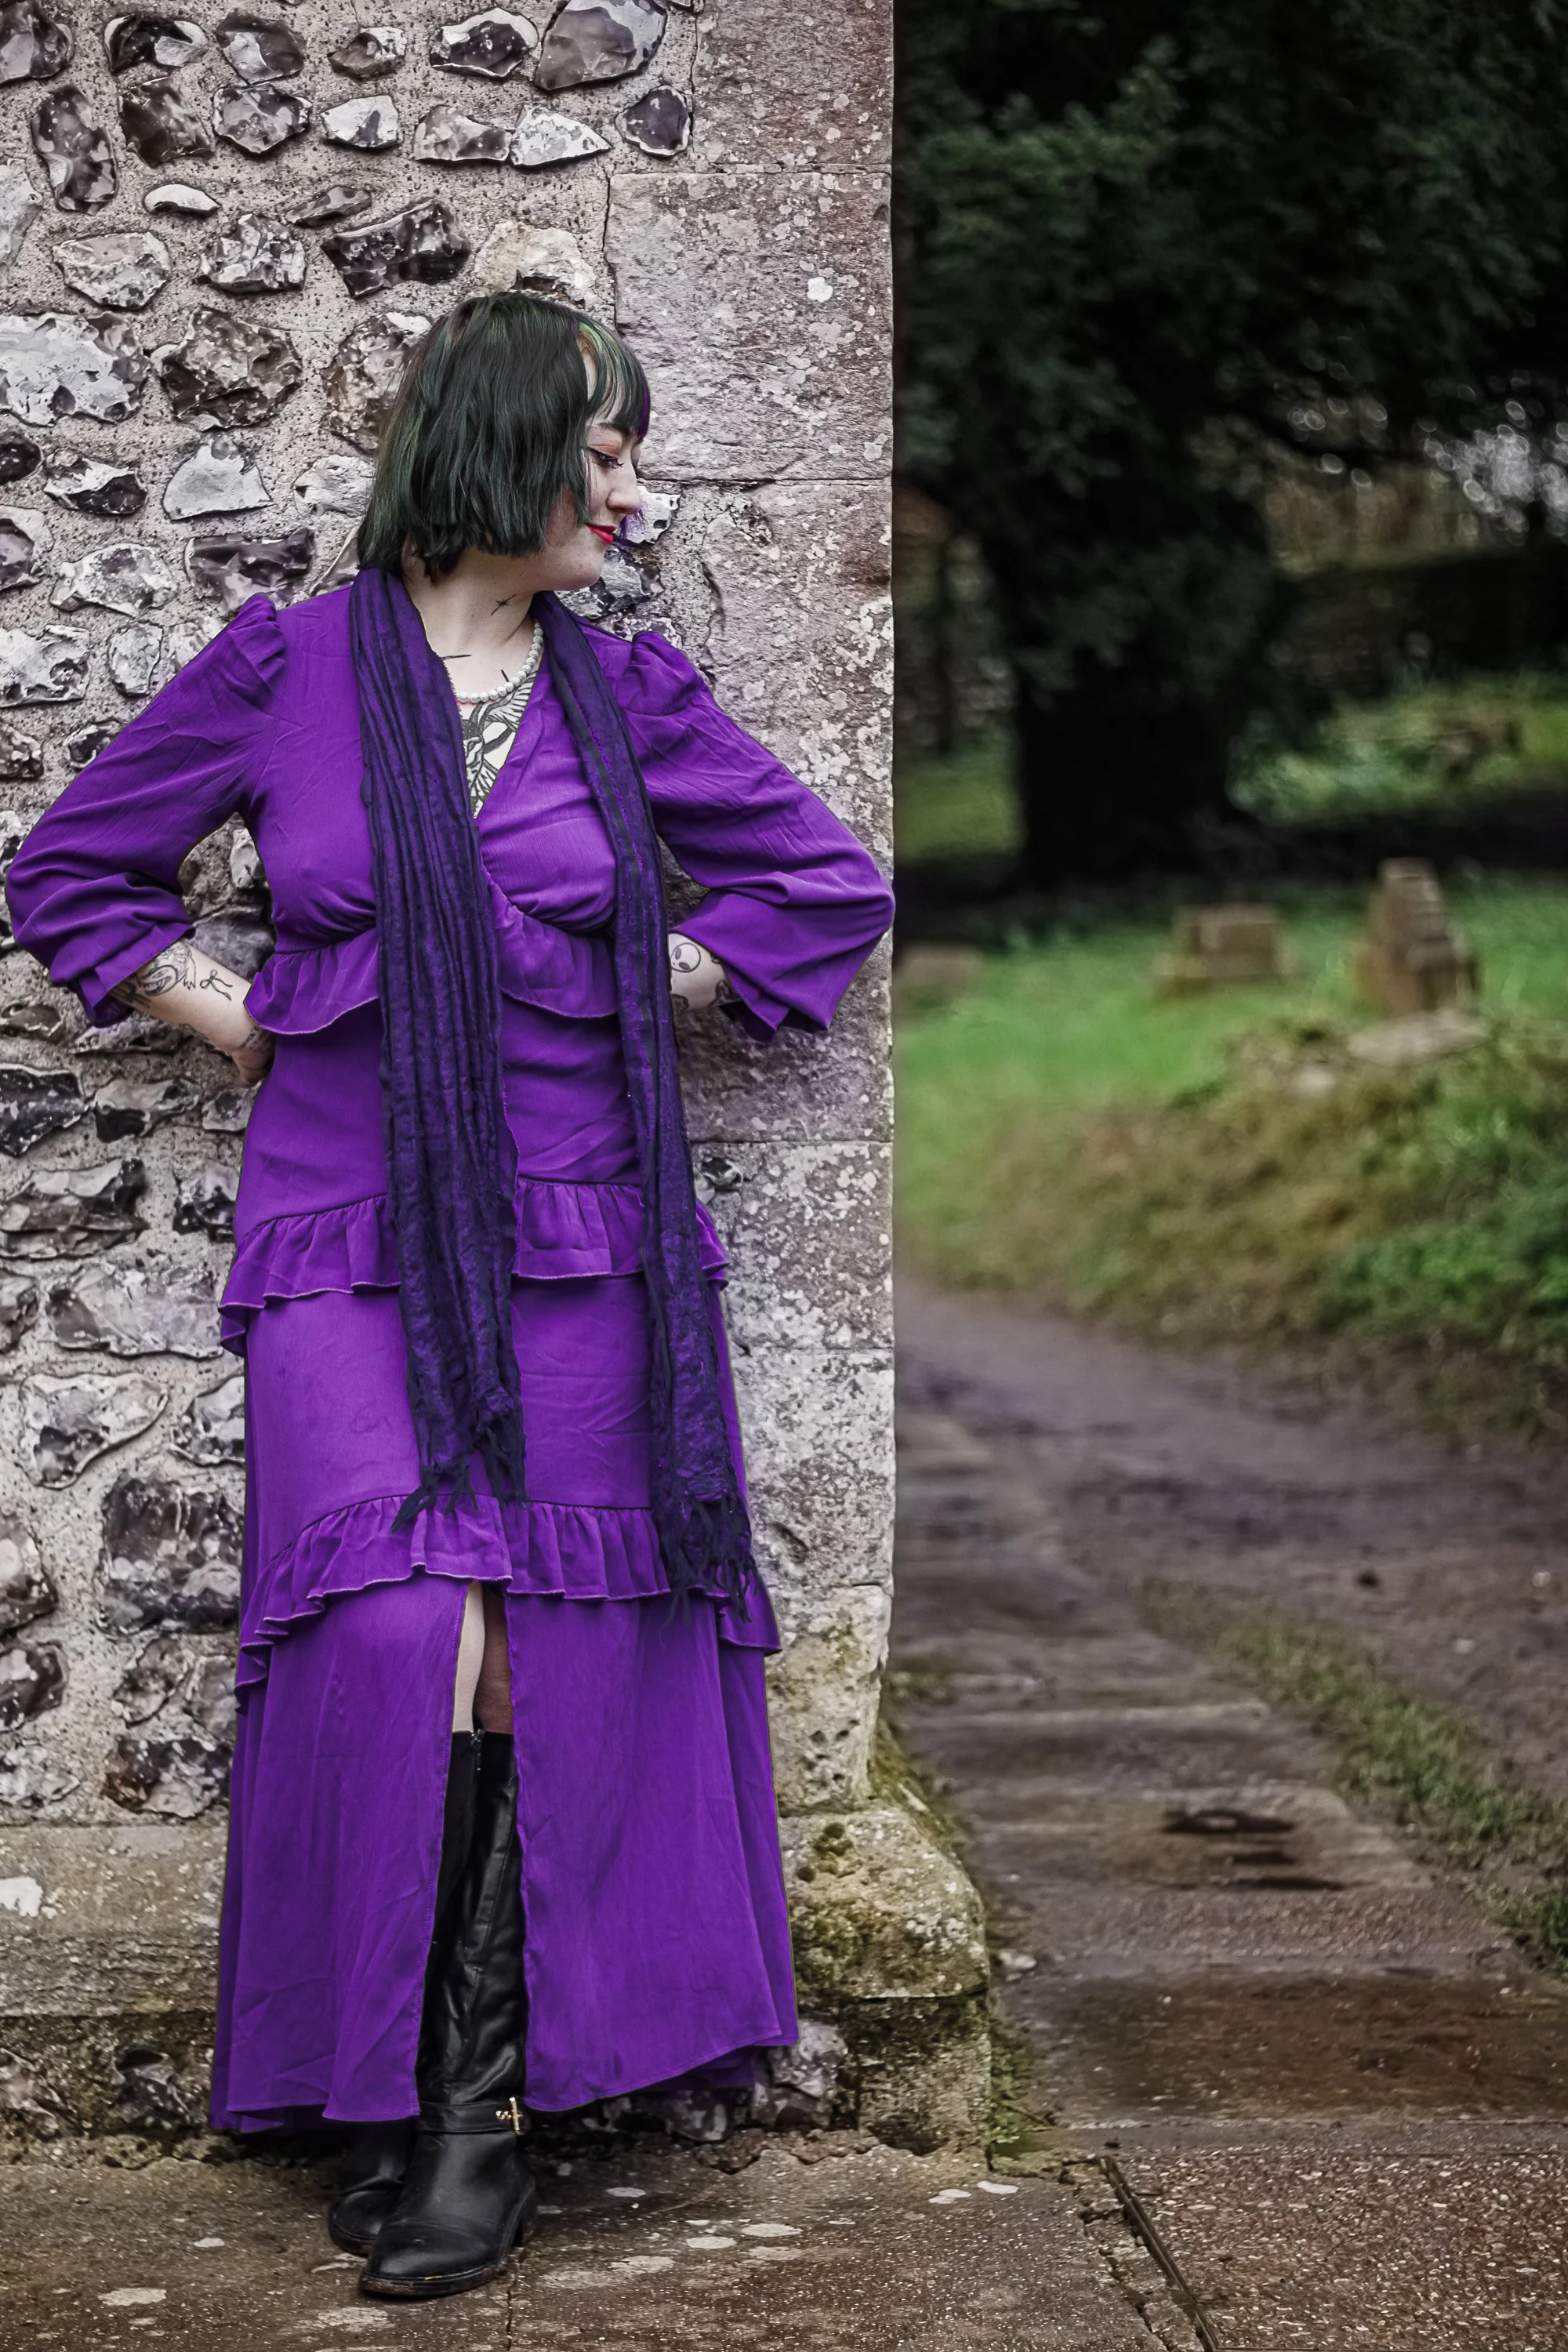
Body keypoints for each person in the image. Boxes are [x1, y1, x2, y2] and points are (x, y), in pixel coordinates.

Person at [6, 293, 894, 2303]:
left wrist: (633, 982)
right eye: (605, 456)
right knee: (404, 1623)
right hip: (353, 1234)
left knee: (530, 1649)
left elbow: (821, 886)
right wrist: (226, 1016)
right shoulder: (285, 672)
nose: (631, 494)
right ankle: (393, 2083)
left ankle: (467, 2117)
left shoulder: (627, 699)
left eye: (638, 458)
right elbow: (74, 872)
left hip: (583, 1234)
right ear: (497, 449)